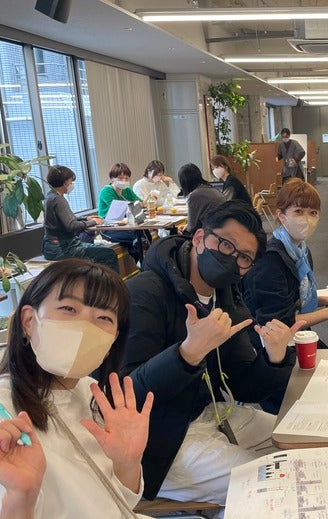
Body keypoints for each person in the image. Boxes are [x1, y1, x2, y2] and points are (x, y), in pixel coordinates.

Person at [0, 259, 180, 519]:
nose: (84, 327)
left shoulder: (86, 390)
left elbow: (113, 504)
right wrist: (21, 498)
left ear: (114, 338)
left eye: (103, 318)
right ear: (30, 321)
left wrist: (127, 463)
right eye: (69, 309)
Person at [122, 202, 302, 502]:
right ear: (199, 238)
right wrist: (187, 354)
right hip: (160, 439)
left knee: (302, 446)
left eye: (244, 257)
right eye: (225, 244)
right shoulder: (145, 293)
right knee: (274, 484)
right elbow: (126, 393)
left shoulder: (225, 297)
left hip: (213, 414)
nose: (232, 259)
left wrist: (274, 357)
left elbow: (243, 385)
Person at [243, 178, 328, 329]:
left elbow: (290, 298)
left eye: (313, 213)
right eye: (298, 211)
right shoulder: (270, 261)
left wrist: (326, 301)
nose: (306, 219)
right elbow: (280, 322)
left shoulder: (300, 251)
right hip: (268, 337)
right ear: (281, 215)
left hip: (287, 332)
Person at [42, 165, 118, 272]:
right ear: (65, 182)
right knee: (109, 254)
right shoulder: (58, 200)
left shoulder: (51, 196)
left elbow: (66, 219)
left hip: (52, 247)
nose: (72, 184)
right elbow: (71, 225)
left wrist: (85, 219)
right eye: (71, 181)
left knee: (99, 251)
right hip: (63, 249)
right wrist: (93, 222)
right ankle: (110, 283)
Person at [97, 162, 144, 262]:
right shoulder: (106, 191)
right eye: (120, 178)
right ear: (112, 179)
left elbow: (140, 203)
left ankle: (140, 262)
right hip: (108, 228)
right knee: (137, 237)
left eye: (126, 178)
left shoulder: (127, 190)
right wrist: (133, 205)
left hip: (126, 225)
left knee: (142, 232)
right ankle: (140, 262)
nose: (123, 181)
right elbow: (118, 210)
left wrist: (137, 204)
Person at [178, 162, 226, 234]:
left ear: (184, 182)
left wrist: (185, 229)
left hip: (210, 232)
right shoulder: (209, 188)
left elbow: (192, 227)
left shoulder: (194, 196)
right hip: (221, 227)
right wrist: (187, 226)